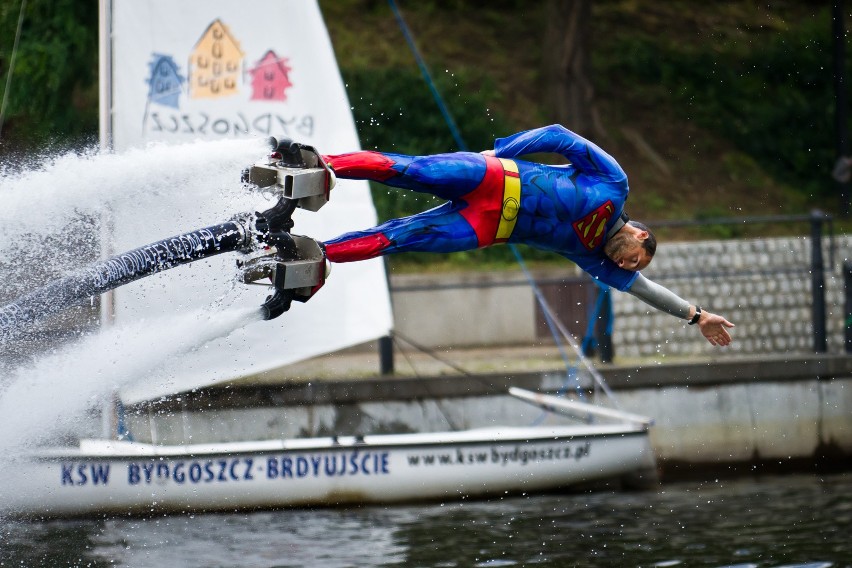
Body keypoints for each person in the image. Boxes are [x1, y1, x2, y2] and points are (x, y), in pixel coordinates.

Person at [319, 124, 734, 346]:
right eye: (633, 259)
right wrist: (500, 153)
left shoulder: (595, 258)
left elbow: (646, 290)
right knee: (407, 171)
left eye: (629, 267)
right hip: (493, 175)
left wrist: (696, 315)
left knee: (399, 237)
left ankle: (319, 256)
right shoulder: (614, 185)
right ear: (640, 234)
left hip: (485, 227)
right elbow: (559, 136)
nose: (625, 265)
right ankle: (323, 163)